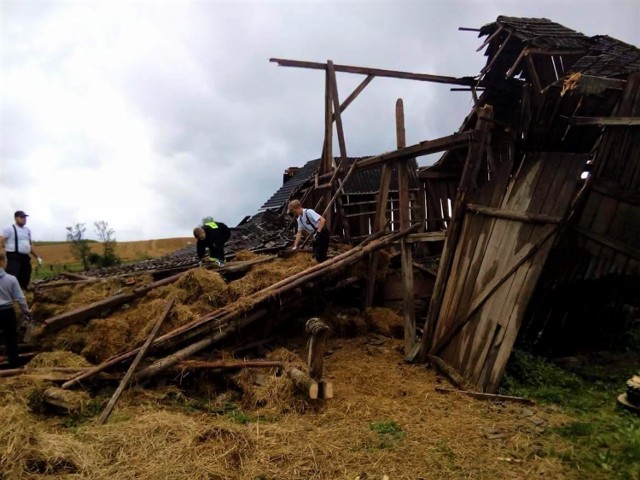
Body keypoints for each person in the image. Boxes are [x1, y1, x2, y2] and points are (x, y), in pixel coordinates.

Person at [0, 253, 32, 368]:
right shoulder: (11, 279)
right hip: (7, 312)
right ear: (3, 262)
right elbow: (20, 299)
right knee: (11, 339)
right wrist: (26, 312)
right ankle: (14, 365)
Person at [0, 211, 42, 289]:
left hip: (25, 257)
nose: (24, 219)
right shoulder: (10, 228)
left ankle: (22, 293)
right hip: (14, 257)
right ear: (16, 218)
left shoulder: (27, 230)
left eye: (25, 217)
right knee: (12, 276)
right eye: (22, 217)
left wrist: (38, 257)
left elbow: (30, 245)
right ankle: (7, 295)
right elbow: (1, 240)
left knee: (25, 276)